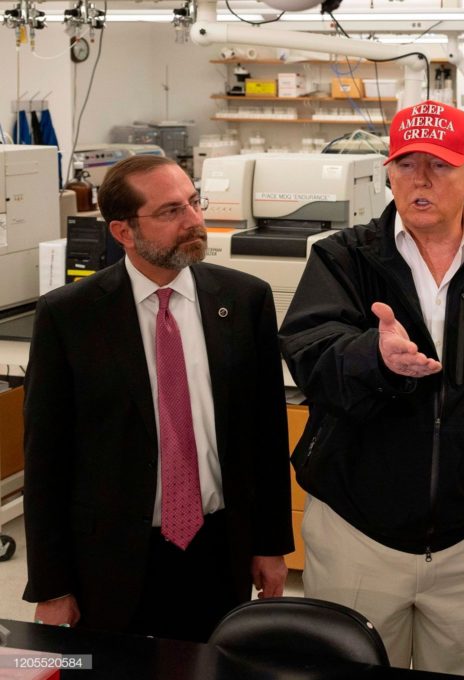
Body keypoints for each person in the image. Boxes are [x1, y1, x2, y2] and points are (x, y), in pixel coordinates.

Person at [278, 100, 464, 680]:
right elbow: (309, 353)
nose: (421, 180)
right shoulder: (342, 257)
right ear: (388, 172)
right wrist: (373, 358)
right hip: (358, 532)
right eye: (406, 164)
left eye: (439, 164)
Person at [22, 155, 293, 643]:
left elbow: (265, 437)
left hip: (217, 546)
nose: (194, 221)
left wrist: (271, 545)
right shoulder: (71, 316)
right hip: (111, 557)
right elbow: (46, 460)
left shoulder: (245, 299)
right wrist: (52, 584)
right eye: (170, 212)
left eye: (194, 202)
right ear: (123, 232)